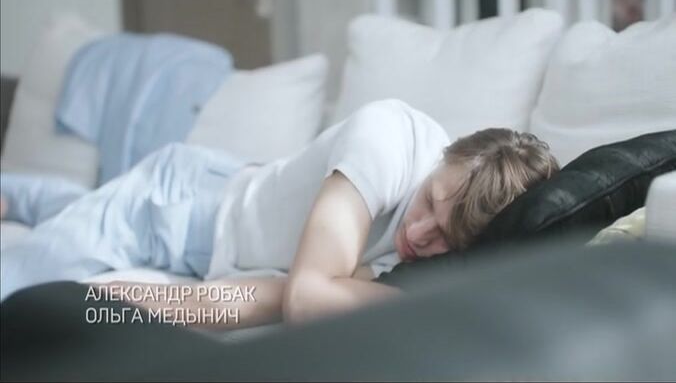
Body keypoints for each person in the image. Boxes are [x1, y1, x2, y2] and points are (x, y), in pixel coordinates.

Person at [0, 99, 559, 328]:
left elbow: (267, 295)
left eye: (446, 240)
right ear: (448, 154)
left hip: (238, 220)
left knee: (71, 218)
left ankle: (35, 197)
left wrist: (143, 304)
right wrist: (103, 305)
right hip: (173, 205)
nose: (418, 235)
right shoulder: (389, 137)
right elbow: (305, 297)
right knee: (15, 282)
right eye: (431, 201)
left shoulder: (448, 252)